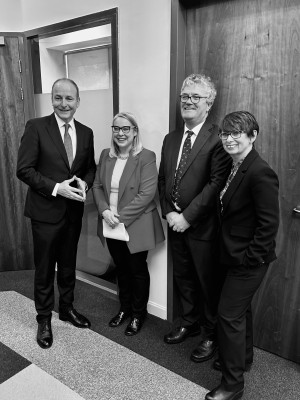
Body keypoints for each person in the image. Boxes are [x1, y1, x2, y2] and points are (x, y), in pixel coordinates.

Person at [16, 78, 96, 349]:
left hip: (73, 213)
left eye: (69, 98)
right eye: (59, 98)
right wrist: (56, 188)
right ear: (52, 100)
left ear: (78, 102)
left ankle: (67, 308)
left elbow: (90, 168)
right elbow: (24, 169)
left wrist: (85, 182)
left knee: (69, 264)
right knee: (45, 267)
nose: (64, 104)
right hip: (45, 212)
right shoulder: (36, 127)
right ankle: (43, 319)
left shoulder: (86, 132)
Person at [205, 111, 279, 400]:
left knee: (228, 316)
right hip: (231, 255)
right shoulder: (235, 165)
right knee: (240, 312)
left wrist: (250, 257)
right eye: (225, 133)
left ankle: (232, 385)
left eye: (237, 133)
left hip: (248, 261)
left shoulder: (260, 172)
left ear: (253, 136)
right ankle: (243, 359)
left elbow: (269, 225)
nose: (229, 138)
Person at [158, 73, 231, 362]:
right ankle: (189, 322)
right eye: (184, 96)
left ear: (208, 104)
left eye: (195, 97)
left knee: (207, 283)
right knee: (184, 277)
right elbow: (164, 179)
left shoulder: (217, 139)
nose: (188, 102)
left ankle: (210, 335)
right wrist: (169, 212)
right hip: (174, 223)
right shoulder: (171, 138)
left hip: (202, 227)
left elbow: (216, 184)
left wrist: (186, 217)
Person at [92, 112, 165, 336]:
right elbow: (96, 186)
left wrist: (118, 218)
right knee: (121, 269)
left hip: (134, 224)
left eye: (126, 129)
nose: (120, 133)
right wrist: (105, 211)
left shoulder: (146, 156)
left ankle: (137, 314)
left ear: (134, 132)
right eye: (116, 128)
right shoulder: (106, 155)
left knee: (137, 270)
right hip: (110, 222)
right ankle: (124, 309)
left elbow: (146, 194)